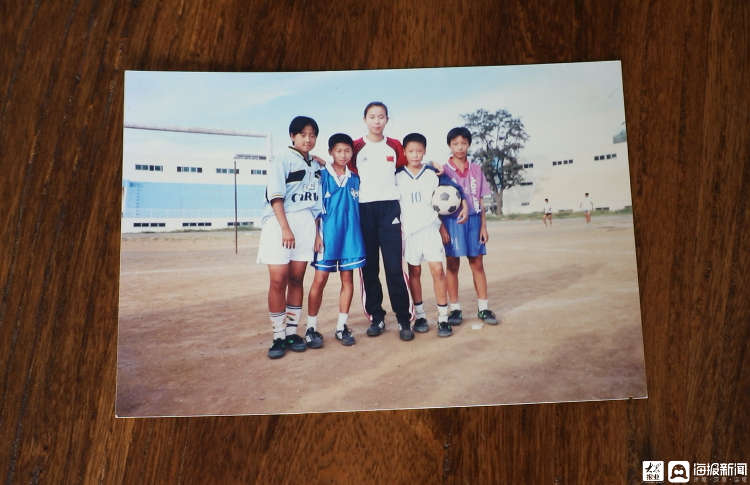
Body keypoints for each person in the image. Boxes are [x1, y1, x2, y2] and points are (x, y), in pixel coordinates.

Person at [257, 116, 322, 359]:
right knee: (278, 279)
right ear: (292, 136)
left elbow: (315, 203)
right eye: (303, 134)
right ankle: (278, 336)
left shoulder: (316, 166)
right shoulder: (282, 159)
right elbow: (276, 196)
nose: (308, 139)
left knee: (297, 278)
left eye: (312, 135)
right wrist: (285, 227)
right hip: (280, 222)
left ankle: (293, 332)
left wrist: (316, 233)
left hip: (305, 223)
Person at [348, 102, 413, 338]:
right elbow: (342, 166)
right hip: (364, 210)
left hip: (389, 209)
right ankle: (376, 317)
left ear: (387, 120)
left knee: (394, 267)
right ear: (365, 119)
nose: (377, 121)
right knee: (370, 268)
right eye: (372, 117)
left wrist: (433, 165)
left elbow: (409, 166)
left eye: (381, 117)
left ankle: (404, 319)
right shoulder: (355, 147)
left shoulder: (395, 146)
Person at [396, 133, 468, 339]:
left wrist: (462, 205)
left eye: (419, 150)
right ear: (404, 152)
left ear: (425, 151)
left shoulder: (433, 174)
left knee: (438, 271)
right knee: (414, 273)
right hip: (409, 233)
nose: (415, 154)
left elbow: (453, 190)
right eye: (411, 151)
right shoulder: (397, 176)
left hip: (430, 230)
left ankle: (443, 318)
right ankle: (419, 316)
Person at [304, 134, 365, 348]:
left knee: (347, 280)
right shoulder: (321, 175)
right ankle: (310, 328)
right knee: (319, 280)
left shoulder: (355, 178)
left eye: (347, 151)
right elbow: (313, 209)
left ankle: (341, 327)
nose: (343, 155)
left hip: (350, 237)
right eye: (338, 151)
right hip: (327, 237)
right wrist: (316, 235)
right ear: (330, 152)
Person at [441, 127, 499, 326]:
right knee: (452, 265)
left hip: (474, 221)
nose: (460, 147)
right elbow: (436, 202)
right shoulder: (443, 170)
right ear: (449, 145)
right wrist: (442, 227)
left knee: (477, 264)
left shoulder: (476, 169)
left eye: (464, 143)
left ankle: (483, 308)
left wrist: (483, 226)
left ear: (469, 144)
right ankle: (455, 309)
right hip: (452, 222)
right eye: (455, 143)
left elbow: (481, 200)